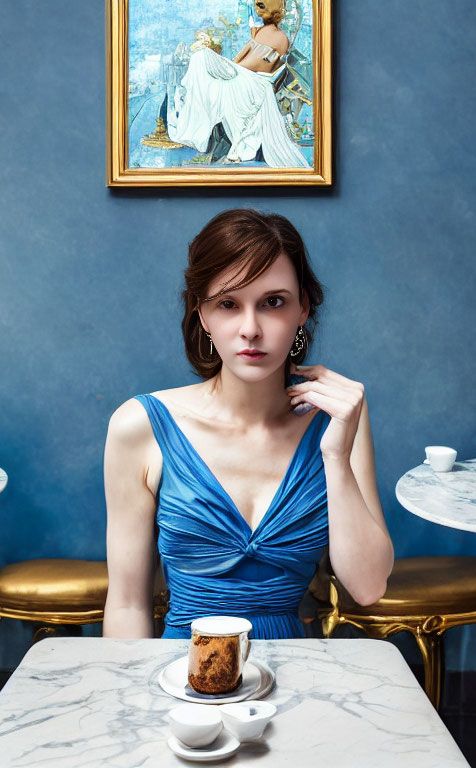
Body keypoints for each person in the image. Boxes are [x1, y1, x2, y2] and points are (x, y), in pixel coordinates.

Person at [103, 209, 393, 639]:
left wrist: (333, 455)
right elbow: (127, 603)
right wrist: (135, 704)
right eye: (228, 304)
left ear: (302, 310)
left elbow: (367, 587)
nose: (251, 329)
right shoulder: (139, 426)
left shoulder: (340, 415)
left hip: (293, 676)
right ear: (202, 315)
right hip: (181, 680)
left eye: (273, 302)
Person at [166, 0, 310, 168]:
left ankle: (193, 127)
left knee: (202, 56)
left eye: (261, 6)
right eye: (257, 5)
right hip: (242, 75)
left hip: (254, 82)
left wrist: (228, 67)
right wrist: (228, 67)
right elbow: (240, 60)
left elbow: (257, 64)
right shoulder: (260, 33)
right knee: (201, 57)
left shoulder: (280, 37)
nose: (256, 9)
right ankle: (193, 125)